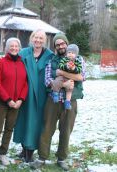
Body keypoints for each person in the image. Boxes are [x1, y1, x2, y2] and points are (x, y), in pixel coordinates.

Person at [30, 33, 85, 171]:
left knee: (66, 130)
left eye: (63, 43)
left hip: (70, 101)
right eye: (57, 44)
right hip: (52, 101)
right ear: (55, 47)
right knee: (47, 129)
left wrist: (61, 73)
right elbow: (47, 80)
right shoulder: (51, 60)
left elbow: (81, 77)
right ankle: (42, 157)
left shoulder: (78, 59)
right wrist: (58, 83)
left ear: (67, 44)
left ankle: (62, 158)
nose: (61, 46)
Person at [0, 38, 28, 172]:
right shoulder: (1, 62)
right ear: (6, 48)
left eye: (16, 46)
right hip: (2, 102)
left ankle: (3, 154)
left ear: (19, 48)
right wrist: (8, 99)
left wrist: (20, 99)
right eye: (11, 46)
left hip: (16, 103)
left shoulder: (22, 63)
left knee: (9, 129)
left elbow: (25, 83)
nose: (14, 48)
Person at [13, 29, 54, 163]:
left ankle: (30, 151)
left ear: (45, 40)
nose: (38, 40)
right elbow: (11, 62)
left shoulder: (49, 55)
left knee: (36, 122)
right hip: (24, 93)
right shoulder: (23, 53)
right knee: (24, 120)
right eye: (36, 37)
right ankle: (24, 148)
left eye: (41, 38)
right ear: (32, 38)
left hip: (41, 95)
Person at [52, 44, 82, 110]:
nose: (70, 54)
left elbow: (79, 69)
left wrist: (74, 68)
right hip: (62, 77)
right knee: (57, 81)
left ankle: (67, 102)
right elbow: (60, 65)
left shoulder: (77, 61)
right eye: (69, 52)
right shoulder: (64, 59)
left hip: (71, 78)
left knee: (70, 89)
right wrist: (66, 66)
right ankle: (55, 93)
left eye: (73, 53)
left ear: (76, 54)